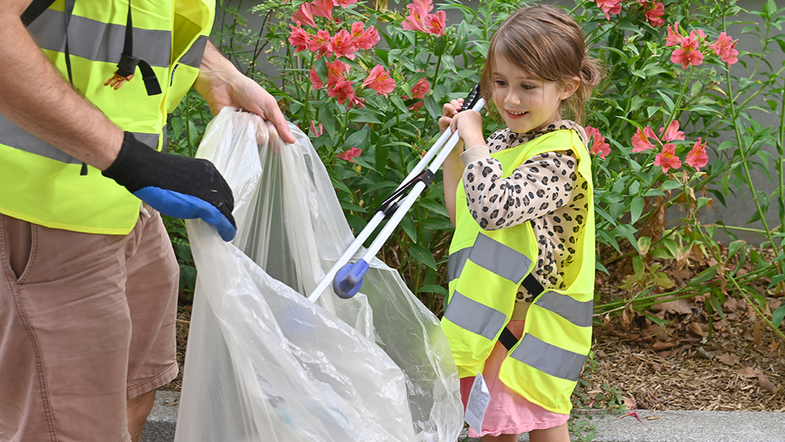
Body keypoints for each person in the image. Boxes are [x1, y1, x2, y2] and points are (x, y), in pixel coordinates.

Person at [0, 1, 295, 441]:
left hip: (127, 203)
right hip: (43, 211)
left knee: (133, 392)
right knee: (70, 424)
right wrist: (131, 161)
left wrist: (217, 72)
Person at [438, 4, 602, 442]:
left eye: (528, 86)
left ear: (566, 87)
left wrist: (474, 140)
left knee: (530, 425)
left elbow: (494, 207)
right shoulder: (503, 144)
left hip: (529, 328)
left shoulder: (559, 155)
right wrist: (459, 147)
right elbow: (465, 215)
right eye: (500, 83)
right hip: (495, 325)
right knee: (500, 427)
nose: (510, 99)